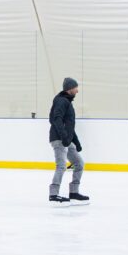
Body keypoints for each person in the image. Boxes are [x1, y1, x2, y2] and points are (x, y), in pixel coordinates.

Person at [48, 77, 89, 205]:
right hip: (59, 139)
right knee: (61, 166)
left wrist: (76, 142)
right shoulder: (61, 101)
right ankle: (53, 195)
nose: (77, 91)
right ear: (70, 88)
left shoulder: (67, 102)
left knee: (79, 163)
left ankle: (74, 192)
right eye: (76, 88)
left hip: (66, 139)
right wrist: (64, 137)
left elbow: (69, 125)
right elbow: (56, 119)